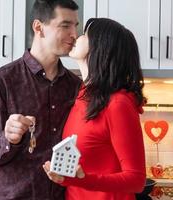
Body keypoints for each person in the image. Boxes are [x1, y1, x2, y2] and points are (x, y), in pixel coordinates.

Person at [0, 0, 81, 199]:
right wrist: (7, 139)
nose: (74, 35)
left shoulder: (74, 86)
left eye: (75, 26)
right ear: (38, 27)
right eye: (65, 25)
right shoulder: (1, 81)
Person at [43, 18, 147, 200]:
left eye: (85, 34)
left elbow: (136, 180)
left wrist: (82, 180)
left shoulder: (118, 105)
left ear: (101, 48)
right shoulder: (82, 94)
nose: (76, 36)